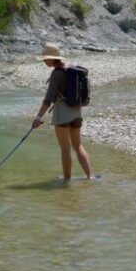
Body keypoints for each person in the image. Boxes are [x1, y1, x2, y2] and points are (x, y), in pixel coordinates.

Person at [32, 43, 93, 182]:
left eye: (46, 58)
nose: (44, 61)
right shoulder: (71, 68)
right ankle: (90, 177)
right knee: (78, 146)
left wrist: (37, 118)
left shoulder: (57, 73)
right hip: (77, 112)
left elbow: (48, 100)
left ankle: (67, 181)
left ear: (53, 59)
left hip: (62, 113)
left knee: (65, 149)